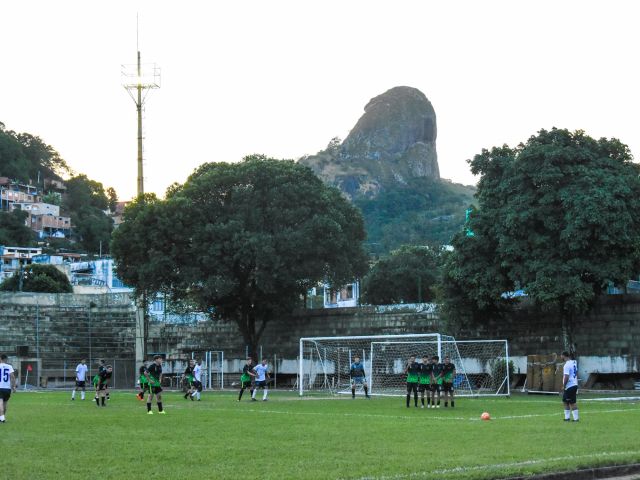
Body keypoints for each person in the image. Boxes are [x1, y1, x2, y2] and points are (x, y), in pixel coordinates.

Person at [561, 351, 579, 422]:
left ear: (564, 356)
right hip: (574, 384)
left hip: (569, 386)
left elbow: (566, 376)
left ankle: (575, 419)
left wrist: (564, 385)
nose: (560, 357)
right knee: (565, 401)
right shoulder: (573, 363)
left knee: (571, 402)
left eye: (561, 355)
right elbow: (576, 372)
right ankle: (567, 418)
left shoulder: (567, 365)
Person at [0, 354, 17, 423]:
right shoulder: (9, 366)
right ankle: (2, 418)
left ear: (0, 358)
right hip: (7, 388)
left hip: (0, 387)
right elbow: (12, 377)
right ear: (6, 359)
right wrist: (13, 387)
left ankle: (2, 418)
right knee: (5, 403)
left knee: (0, 403)